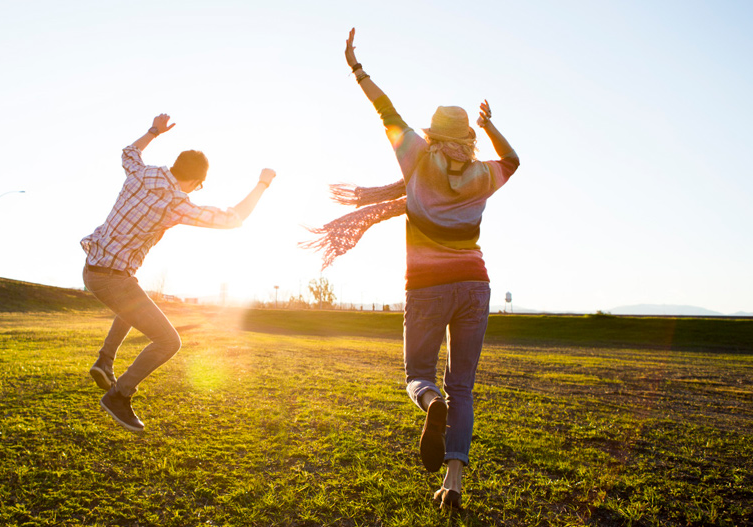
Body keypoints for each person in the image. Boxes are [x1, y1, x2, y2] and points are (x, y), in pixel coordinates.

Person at [305, 29, 519, 509]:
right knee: (462, 384)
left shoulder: (417, 155)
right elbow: (513, 160)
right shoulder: (484, 172)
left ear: (433, 132)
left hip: (426, 286)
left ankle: (430, 404)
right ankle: (454, 482)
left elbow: (386, 110)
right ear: (466, 135)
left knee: (417, 374)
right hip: (475, 285)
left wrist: (356, 67)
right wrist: (488, 127)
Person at [81, 113, 276, 432]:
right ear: (196, 182)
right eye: (198, 187)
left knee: (134, 304)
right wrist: (262, 184)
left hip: (93, 268)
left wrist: (154, 131)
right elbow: (231, 218)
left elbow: (128, 152)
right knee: (168, 341)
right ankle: (119, 395)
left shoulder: (141, 174)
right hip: (111, 278)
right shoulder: (176, 202)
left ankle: (105, 359)